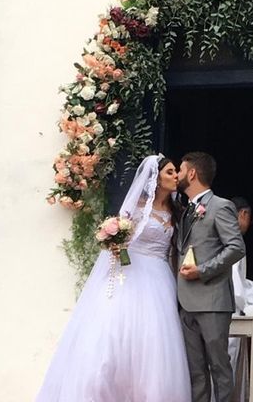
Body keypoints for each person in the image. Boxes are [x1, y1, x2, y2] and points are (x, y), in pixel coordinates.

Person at [35, 155, 191, 402]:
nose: (176, 177)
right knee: (116, 334)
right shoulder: (138, 208)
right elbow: (122, 238)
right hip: (133, 273)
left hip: (160, 277)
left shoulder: (177, 211)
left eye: (175, 172)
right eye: (170, 172)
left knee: (155, 342)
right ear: (156, 179)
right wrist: (115, 242)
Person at [176, 152, 246, 402]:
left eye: (181, 170)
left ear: (192, 173)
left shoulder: (220, 206)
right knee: (196, 372)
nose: (178, 176)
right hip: (186, 301)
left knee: (219, 367)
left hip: (213, 301)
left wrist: (202, 270)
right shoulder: (185, 211)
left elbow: (236, 247)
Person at [227, 197, 253, 402]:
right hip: (231, 313)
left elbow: (239, 278)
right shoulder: (233, 239)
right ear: (243, 214)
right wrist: (250, 305)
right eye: (248, 217)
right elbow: (235, 283)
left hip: (231, 309)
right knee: (228, 368)